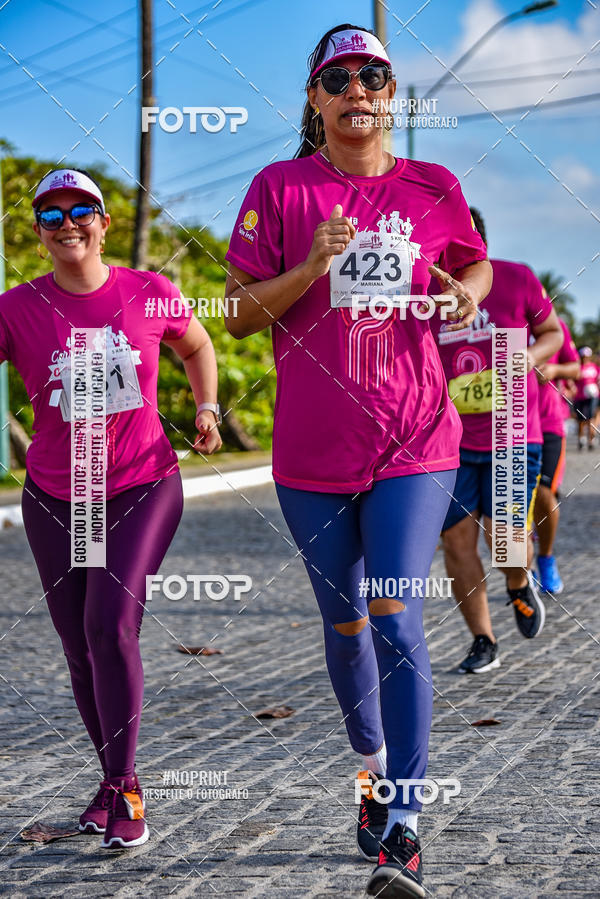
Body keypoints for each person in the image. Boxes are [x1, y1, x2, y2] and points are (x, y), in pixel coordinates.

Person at [224, 24, 492, 899]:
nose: (358, 89)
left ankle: (405, 827)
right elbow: (235, 314)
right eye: (338, 77)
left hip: (417, 438)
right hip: (311, 455)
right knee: (345, 628)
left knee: (396, 615)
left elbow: (475, 269)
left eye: (373, 75)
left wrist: (463, 292)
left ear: (391, 94)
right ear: (315, 98)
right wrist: (310, 266)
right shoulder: (280, 187)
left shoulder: (433, 185)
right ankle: (373, 769)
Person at [0, 169, 222, 848]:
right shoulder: (16, 307)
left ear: (102, 221)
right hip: (57, 492)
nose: (68, 222)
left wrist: (207, 406)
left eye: (82, 209)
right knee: (76, 645)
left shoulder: (148, 292)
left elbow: (198, 343)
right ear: (39, 232)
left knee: (109, 624)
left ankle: (124, 785)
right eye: (51, 212)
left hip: (138, 482)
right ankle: (109, 780)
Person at [437, 208, 563, 675]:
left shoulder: (517, 279)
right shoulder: (426, 295)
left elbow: (551, 333)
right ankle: (483, 640)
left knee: (506, 540)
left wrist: (527, 356)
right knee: (456, 542)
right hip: (449, 439)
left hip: (512, 431)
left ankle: (517, 583)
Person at [533, 317, 580, 593]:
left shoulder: (555, 327)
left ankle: (546, 558)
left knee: (544, 492)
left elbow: (575, 368)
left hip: (549, 423)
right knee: (514, 498)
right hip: (509, 424)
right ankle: (521, 573)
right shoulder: (496, 324)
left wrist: (554, 370)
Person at [573, 347, 599, 450]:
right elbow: (572, 381)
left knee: (591, 418)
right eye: (583, 356)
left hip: (592, 396)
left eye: (587, 356)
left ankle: (591, 440)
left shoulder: (595, 367)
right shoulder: (577, 367)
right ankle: (581, 439)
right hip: (580, 397)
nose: (585, 358)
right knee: (581, 419)